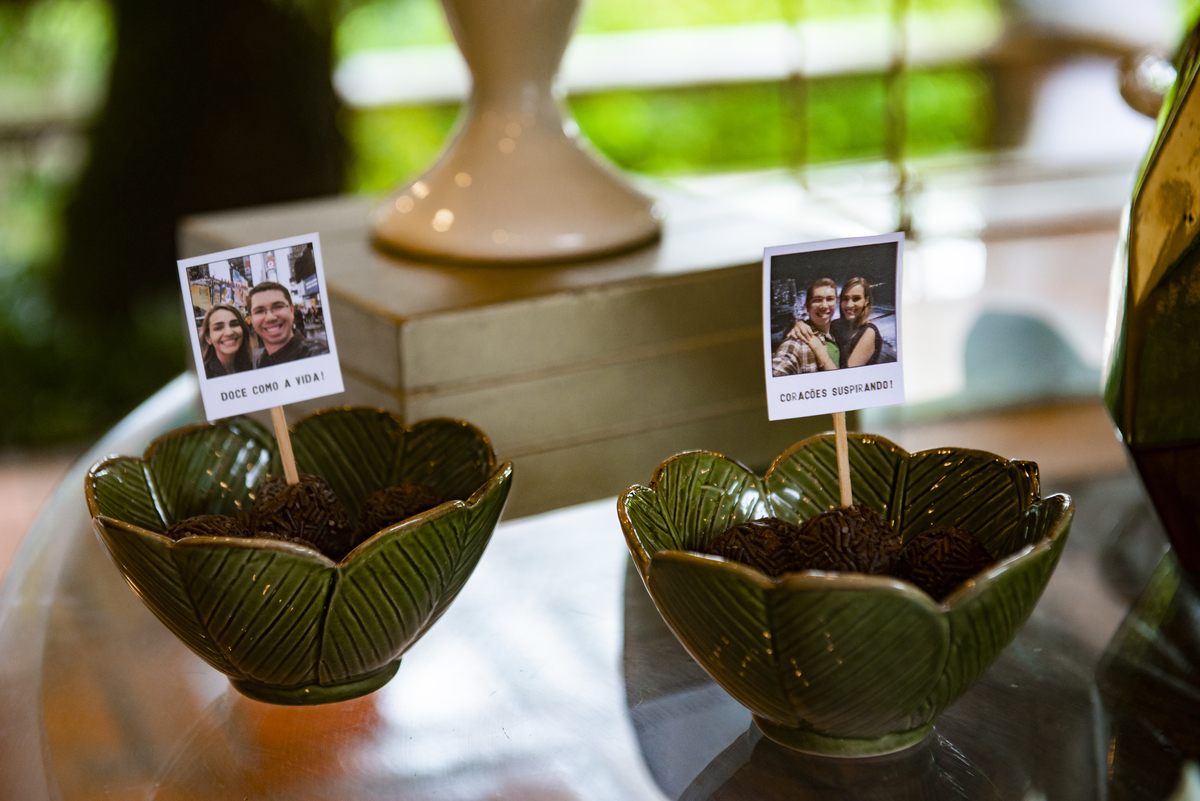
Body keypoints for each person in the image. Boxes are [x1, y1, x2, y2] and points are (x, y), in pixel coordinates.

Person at [246, 281, 329, 368]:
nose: (270, 317)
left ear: (291, 310)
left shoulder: (317, 356)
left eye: (278, 307)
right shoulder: (261, 360)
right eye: (259, 311)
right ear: (251, 319)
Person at [772, 278, 840, 377]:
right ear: (807, 306)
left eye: (830, 299)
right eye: (817, 300)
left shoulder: (838, 330)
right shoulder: (799, 340)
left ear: (836, 303)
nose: (824, 306)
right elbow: (779, 369)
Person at [829, 277, 883, 369]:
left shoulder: (869, 332)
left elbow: (848, 373)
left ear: (866, 301)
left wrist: (817, 348)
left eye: (856, 298)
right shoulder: (834, 325)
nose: (849, 305)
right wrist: (802, 325)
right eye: (845, 298)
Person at [199, 304, 254, 378]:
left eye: (234, 324)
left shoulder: (251, 364)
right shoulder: (203, 375)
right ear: (208, 338)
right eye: (218, 328)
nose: (229, 332)